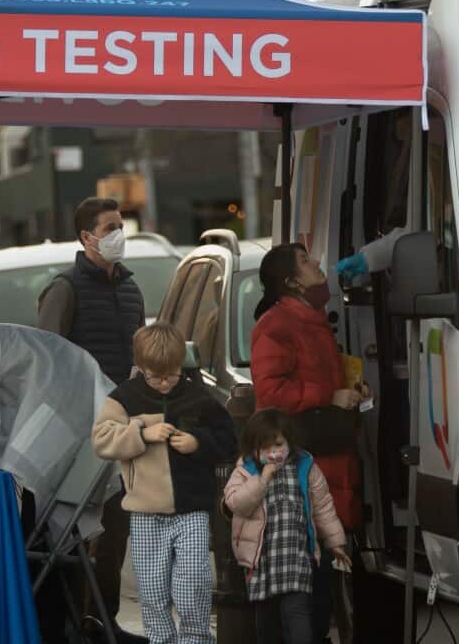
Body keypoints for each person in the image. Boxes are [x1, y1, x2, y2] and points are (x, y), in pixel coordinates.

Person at [37, 197, 147, 644]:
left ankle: (103, 620)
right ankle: (70, 623)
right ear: (86, 237)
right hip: (80, 433)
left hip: (123, 429)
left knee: (116, 530)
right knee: (77, 531)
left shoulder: (131, 290)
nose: (119, 234)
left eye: (121, 225)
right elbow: (48, 363)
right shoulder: (64, 289)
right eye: (109, 227)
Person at [93, 323, 236, 644]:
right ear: (141, 367)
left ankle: (195, 638)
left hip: (192, 510)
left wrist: (198, 442)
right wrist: (142, 434)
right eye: (155, 376)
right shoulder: (124, 397)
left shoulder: (198, 397)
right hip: (145, 510)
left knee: (192, 584)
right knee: (152, 589)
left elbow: (228, 439)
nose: (164, 383)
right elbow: (101, 439)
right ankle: (161, 639)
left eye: (172, 375)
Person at [250, 243, 364, 643]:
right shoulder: (277, 324)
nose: (317, 263)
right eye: (305, 261)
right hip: (304, 468)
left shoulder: (311, 318)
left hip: (327, 463)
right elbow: (270, 392)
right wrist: (329, 395)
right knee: (309, 588)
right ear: (292, 281)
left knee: (324, 583)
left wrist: (349, 390)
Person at [223, 410, 350, 644]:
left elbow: (323, 506)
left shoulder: (305, 467)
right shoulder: (245, 471)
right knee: (267, 622)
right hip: (261, 561)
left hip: (296, 558)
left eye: (279, 445)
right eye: (265, 448)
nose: (273, 453)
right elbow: (236, 504)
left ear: (290, 441)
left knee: (298, 615)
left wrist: (335, 542)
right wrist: (262, 480)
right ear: (253, 448)